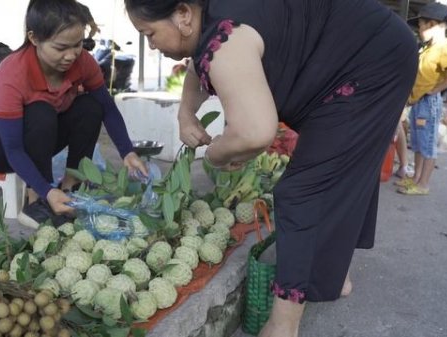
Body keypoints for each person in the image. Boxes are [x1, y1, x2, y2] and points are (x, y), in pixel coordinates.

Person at [124, 0, 417, 336]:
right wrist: (185, 114)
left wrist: (217, 154)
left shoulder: (225, 37)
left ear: (183, 14)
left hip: (370, 62)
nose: (151, 44)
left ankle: (283, 324)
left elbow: (255, 132)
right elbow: (198, 66)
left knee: (301, 191)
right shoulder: (214, 25)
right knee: (347, 168)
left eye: (149, 33)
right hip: (374, 48)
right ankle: (333, 275)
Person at [0, 0, 147, 229]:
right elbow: (13, 147)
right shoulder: (13, 72)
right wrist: (46, 188)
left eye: (78, 44)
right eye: (61, 48)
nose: (71, 55)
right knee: (40, 110)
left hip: (38, 137)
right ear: (34, 39)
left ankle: (70, 186)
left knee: (90, 106)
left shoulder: (83, 62)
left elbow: (107, 107)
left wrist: (127, 151)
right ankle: (36, 200)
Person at [396, 2, 447, 196]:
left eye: (420, 25)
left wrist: (435, 89)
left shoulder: (445, 49)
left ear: (432, 25)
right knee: (419, 142)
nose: (419, 30)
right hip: (419, 102)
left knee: (427, 144)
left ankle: (423, 184)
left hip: (429, 102)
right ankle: (416, 179)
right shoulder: (429, 48)